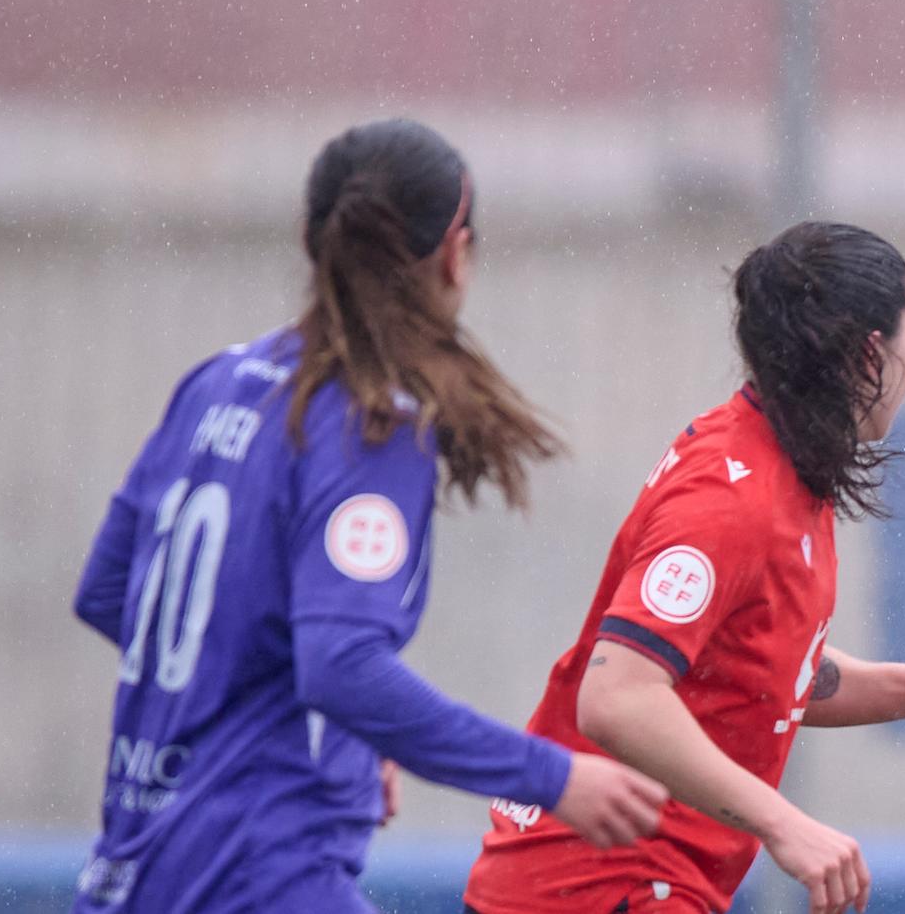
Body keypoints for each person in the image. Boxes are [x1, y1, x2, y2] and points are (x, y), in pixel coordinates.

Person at [73, 118, 668, 912]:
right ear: (455, 252)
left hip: (135, 871)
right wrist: (551, 776)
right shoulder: (367, 423)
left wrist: (345, 734)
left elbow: (111, 591)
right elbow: (341, 663)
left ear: (310, 239)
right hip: (260, 876)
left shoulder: (215, 383)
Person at [467, 221, 905, 914]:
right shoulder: (731, 498)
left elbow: (749, 673)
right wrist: (782, 821)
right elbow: (618, 697)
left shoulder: (787, 465)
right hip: (596, 889)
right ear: (870, 354)